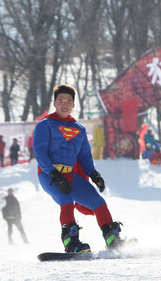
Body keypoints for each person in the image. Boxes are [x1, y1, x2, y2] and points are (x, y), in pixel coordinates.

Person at [33, 84, 123, 253]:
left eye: (68, 101)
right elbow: (39, 151)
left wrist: (94, 174)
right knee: (66, 199)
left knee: (98, 202)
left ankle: (112, 239)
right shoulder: (45, 125)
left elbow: (84, 157)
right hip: (48, 174)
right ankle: (71, 242)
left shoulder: (79, 129)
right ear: (54, 103)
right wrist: (53, 174)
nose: (64, 104)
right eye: (61, 100)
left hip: (70, 176)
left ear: (74, 105)